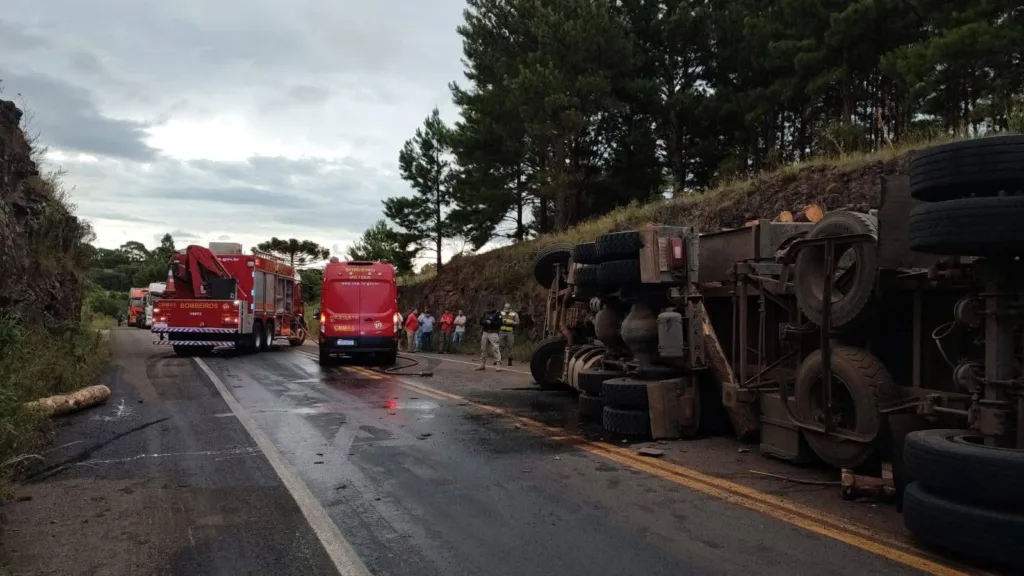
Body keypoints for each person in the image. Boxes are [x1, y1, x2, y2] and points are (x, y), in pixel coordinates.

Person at [475, 303, 503, 371]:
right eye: (488, 307)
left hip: (493, 332)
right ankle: (482, 364)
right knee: (483, 348)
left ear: (493, 307)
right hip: (485, 332)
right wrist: (484, 322)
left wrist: (491, 322)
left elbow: (500, 323)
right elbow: (480, 321)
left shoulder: (498, 314)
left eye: (491, 307)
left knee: (495, 349)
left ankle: (498, 364)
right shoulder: (485, 313)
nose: (489, 308)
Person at [499, 303, 519, 367]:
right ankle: (499, 360)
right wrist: (501, 321)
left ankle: (510, 361)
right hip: (502, 331)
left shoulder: (514, 314)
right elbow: (497, 321)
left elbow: (517, 322)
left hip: (510, 331)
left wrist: (511, 322)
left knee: (510, 346)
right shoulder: (501, 313)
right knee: (500, 345)